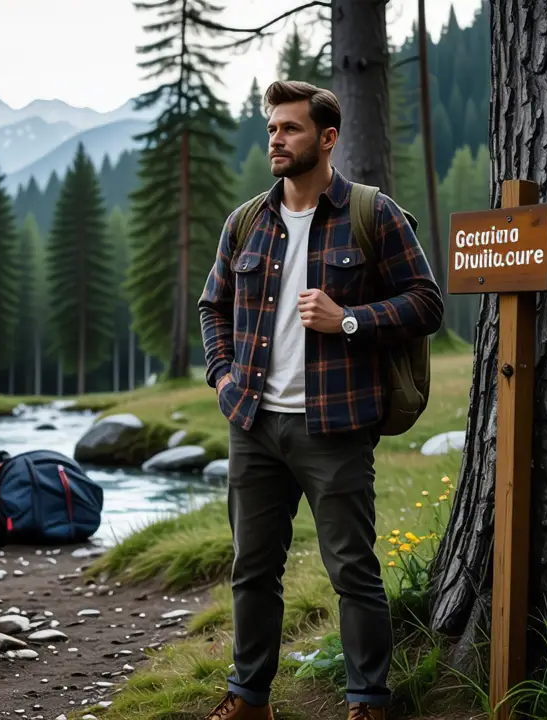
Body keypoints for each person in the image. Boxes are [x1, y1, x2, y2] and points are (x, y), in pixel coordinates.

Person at [196, 80, 444, 720]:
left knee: (352, 573)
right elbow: (212, 308)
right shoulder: (246, 221)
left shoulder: (372, 213)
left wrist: (350, 319)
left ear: (327, 138)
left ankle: (367, 701)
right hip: (253, 423)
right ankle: (249, 699)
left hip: (334, 427)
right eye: (272, 128)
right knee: (252, 571)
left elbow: (427, 302)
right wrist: (223, 379)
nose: (276, 139)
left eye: (291, 129)